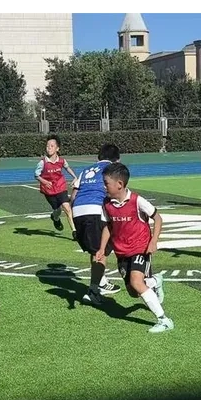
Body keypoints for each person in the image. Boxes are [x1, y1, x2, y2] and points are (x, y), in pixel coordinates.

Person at [95, 163, 173, 333]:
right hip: (121, 252)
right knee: (133, 292)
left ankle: (164, 320)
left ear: (119, 184)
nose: (104, 186)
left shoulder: (137, 201)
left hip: (140, 247)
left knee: (136, 282)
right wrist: (101, 249)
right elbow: (107, 226)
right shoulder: (106, 203)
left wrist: (153, 241)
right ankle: (155, 281)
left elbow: (157, 218)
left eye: (106, 183)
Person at [70, 144, 123, 302]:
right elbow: (116, 192)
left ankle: (101, 281)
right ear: (116, 159)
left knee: (95, 251)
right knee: (102, 251)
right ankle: (93, 290)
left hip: (78, 211)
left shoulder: (85, 170)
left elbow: (73, 196)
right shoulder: (112, 169)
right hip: (95, 210)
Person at [35, 134, 78, 238]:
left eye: (52, 146)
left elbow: (67, 168)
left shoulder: (62, 161)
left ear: (57, 148)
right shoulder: (42, 162)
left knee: (67, 207)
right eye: (47, 146)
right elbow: (36, 175)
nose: (49, 148)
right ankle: (55, 218)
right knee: (57, 210)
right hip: (49, 190)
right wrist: (44, 181)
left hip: (60, 187)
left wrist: (75, 177)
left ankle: (74, 231)